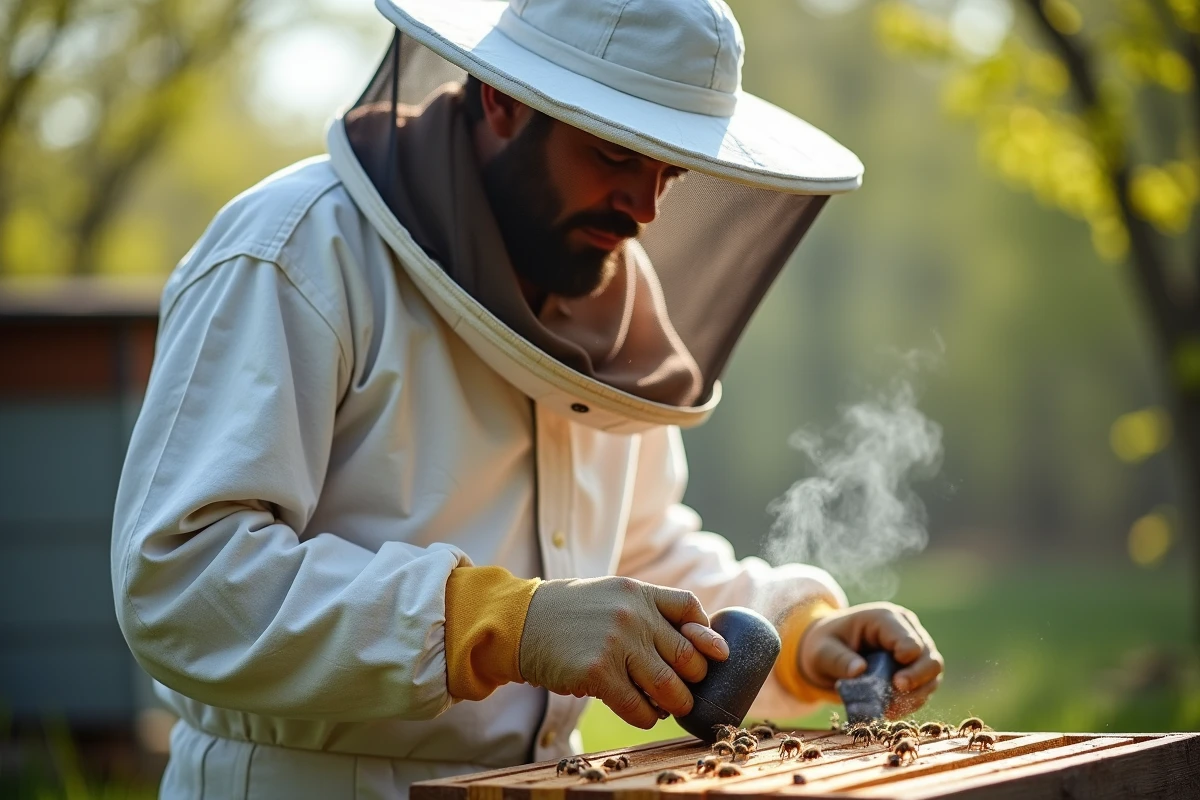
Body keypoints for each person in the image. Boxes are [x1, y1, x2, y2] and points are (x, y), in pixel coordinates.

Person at [110, 0, 943, 796]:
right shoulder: (296, 254)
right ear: (503, 100)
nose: (646, 207)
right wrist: (497, 622)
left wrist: (794, 637)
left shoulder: (608, 300)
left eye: (670, 170)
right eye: (617, 155)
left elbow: (632, 559)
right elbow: (184, 581)